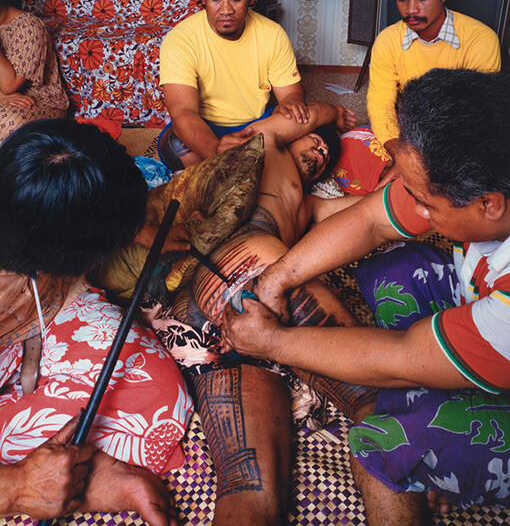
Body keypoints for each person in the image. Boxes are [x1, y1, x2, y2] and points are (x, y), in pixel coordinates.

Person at [221, 68, 510, 525]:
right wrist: (276, 279)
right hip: (483, 312)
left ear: (489, 204)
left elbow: (401, 353)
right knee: (390, 266)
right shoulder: (471, 172)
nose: (415, 209)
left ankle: (447, 416)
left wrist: (273, 342)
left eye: (426, 204)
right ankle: (447, 371)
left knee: (384, 439)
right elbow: (370, 219)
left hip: (500, 336)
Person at [150, 101, 361, 526]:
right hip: (248, 264)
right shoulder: (267, 145)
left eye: (325, 157)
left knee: (249, 488)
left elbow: (363, 213)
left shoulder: (311, 207)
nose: (319, 154)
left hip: (199, 312)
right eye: (315, 145)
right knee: (371, 398)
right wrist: (331, 114)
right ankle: (415, 470)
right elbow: (292, 122)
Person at [0, 119, 194, 525]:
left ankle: (71, 474)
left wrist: (126, 224)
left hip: (34, 311)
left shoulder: (21, 171)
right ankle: (79, 480)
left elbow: (55, 185)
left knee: (157, 390)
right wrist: (17, 486)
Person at [158, 0, 310, 170]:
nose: (226, 10)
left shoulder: (272, 34)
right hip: (206, 127)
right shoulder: (180, 40)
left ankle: (236, 168)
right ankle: (244, 166)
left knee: (309, 123)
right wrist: (215, 150)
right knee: (174, 145)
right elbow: (183, 111)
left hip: (257, 127)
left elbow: (291, 94)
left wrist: (291, 104)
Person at [367, 0, 501, 185]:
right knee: (350, 149)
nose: (411, 9)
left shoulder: (481, 39)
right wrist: (401, 154)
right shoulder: (387, 40)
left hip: (459, 133)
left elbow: (478, 113)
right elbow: (380, 103)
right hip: (407, 129)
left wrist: (423, 159)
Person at [0, 0, 69, 142]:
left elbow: (9, 86)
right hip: (4, 99)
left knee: (8, 121)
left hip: (40, 102)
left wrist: (2, 97)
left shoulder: (28, 26)